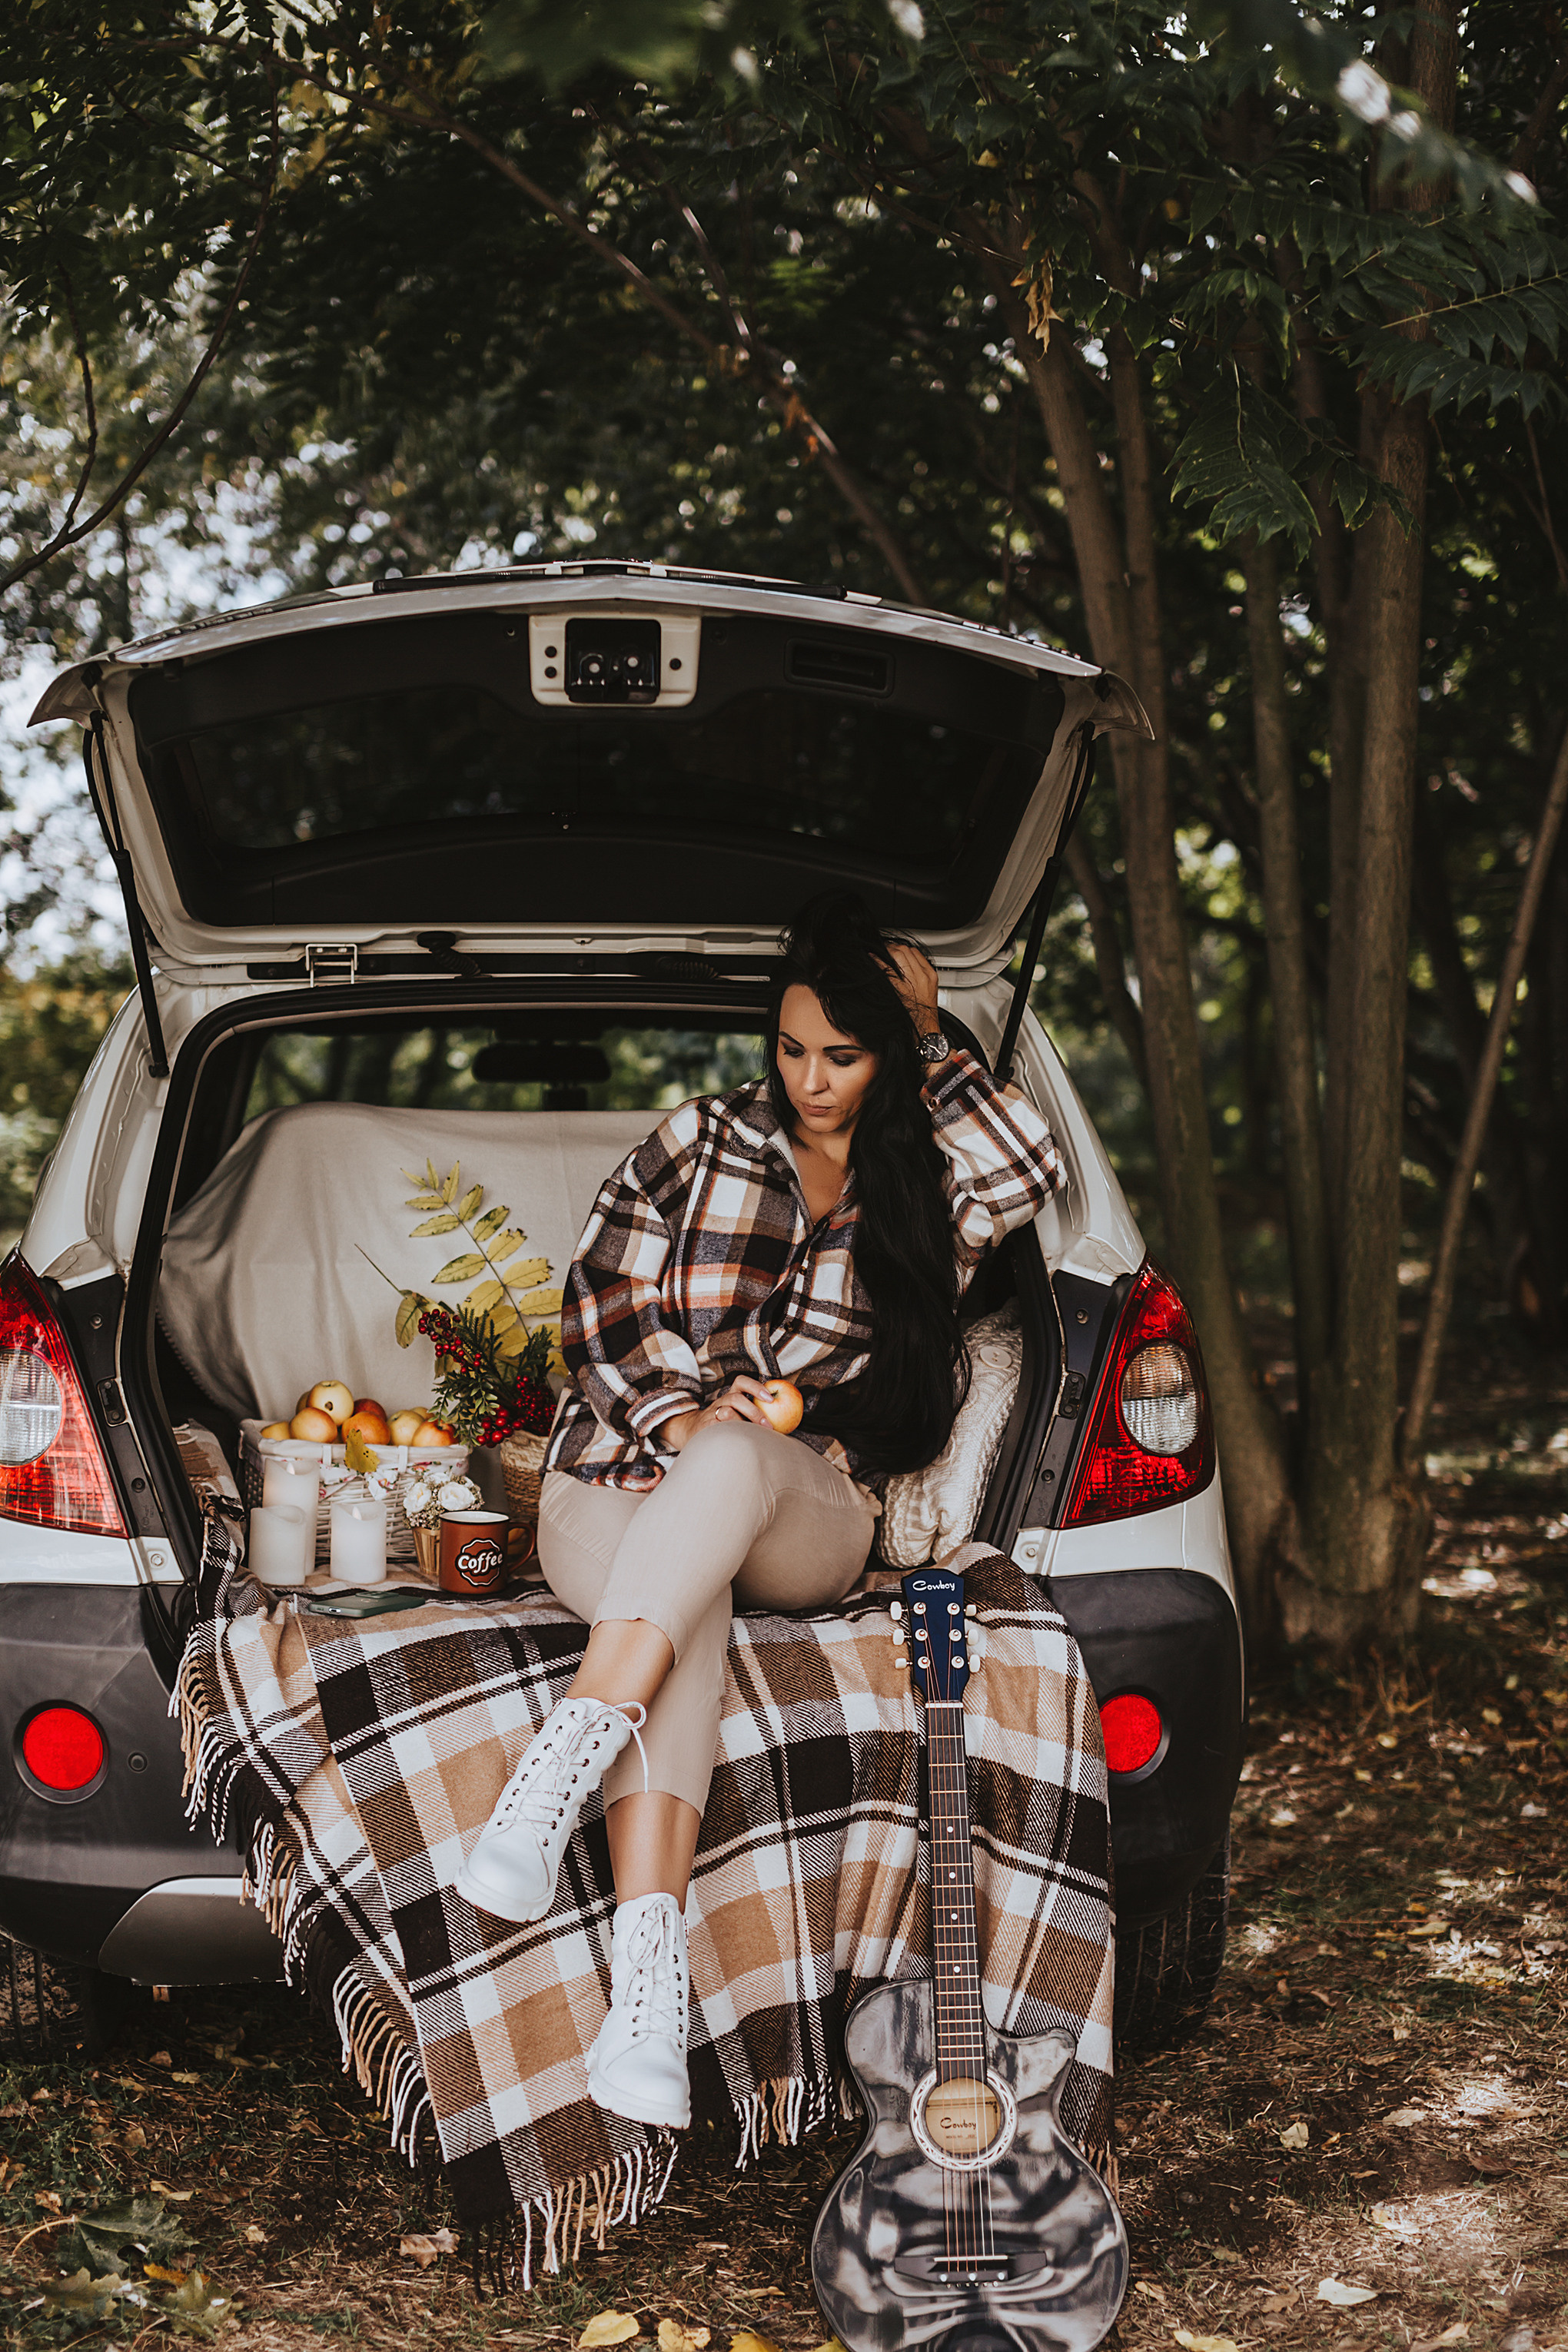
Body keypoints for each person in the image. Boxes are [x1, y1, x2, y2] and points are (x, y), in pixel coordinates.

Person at [452, 892, 1068, 2131]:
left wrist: (932, 1033)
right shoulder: (700, 1137)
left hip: (804, 1505)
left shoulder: (931, 1178)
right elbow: (600, 1302)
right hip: (616, 1482)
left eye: (843, 1055)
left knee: (732, 1472)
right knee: (688, 1599)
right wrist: (678, 1418)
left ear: (887, 1056)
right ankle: (646, 1994)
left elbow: (1033, 1161)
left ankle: (566, 1753)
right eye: (791, 1050)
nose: (811, 1080)